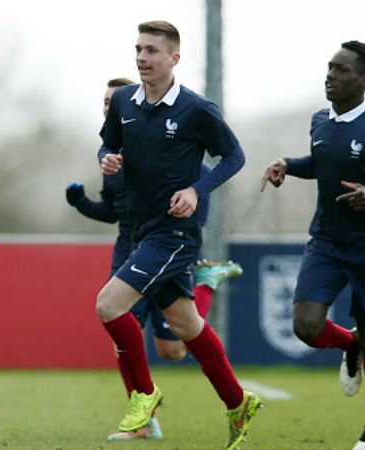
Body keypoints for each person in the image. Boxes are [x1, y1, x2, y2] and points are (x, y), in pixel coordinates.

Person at [96, 21, 261, 450]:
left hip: (174, 235)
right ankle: (238, 402)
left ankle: (144, 396)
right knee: (187, 326)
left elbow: (235, 155)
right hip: (141, 231)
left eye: (151, 50)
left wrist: (196, 189)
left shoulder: (196, 109)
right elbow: (107, 145)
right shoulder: (123, 104)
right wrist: (108, 159)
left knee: (109, 305)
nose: (142, 58)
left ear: (174, 58)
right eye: (138, 49)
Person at [260, 41, 365, 450]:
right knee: (306, 326)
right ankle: (347, 345)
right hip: (327, 241)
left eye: (341, 70)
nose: (330, 75)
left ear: (364, 81)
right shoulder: (320, 120)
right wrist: (289, 165)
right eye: (329, 67)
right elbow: (323, 162)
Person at [66, 78, 243, 441]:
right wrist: (82, 202)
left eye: (114, 101)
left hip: (167, 246)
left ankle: (147, 395)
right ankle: (152, 416)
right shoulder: (116, 162)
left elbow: (213, 178)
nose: (109, 107)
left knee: (171, 348)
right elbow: (112, 210)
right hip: (130, 246)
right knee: (135, 327)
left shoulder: (176, 151)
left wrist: (193, 201)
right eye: (105, 102)